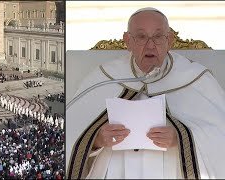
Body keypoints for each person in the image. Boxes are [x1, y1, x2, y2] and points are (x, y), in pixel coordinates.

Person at [66, 7, 225, 179]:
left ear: (169, 40)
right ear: (128, 41)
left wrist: (180, 139)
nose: (150, 45)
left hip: (174, 170)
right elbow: (72, 129)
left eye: (158, 36)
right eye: (141, 37)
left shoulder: (196, 78)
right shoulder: (104, 77)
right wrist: (96, 140)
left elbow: (219, 134)